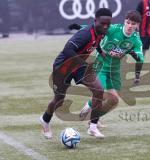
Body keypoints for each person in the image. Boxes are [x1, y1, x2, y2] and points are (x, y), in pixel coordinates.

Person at [39, 8, 112, 139]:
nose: (106, 26)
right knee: (59, 100)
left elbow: (97, 42)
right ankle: (45, 120)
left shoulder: (101, 31)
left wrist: (101, 52)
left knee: (99, 90)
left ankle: (93, 127)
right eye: (103, 23)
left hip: (79, 67)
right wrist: (82, 63)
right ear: (95, 21)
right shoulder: (85, 34)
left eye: (108, 24)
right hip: (63, 68)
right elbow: (67, 49)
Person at [70, 10, 144, 138]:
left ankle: (93, 117)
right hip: (101, 65)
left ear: (137, 25)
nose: (130, 26)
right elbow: (95, 28)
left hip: (114, 70)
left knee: (114, 101)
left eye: (133, 23)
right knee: (100, 92)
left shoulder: (136, 39)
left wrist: (135, 55)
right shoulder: (113, 29)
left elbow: (140, 57)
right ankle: (92, 125)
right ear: (124, 22)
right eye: (128, 22)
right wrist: (80, 27)